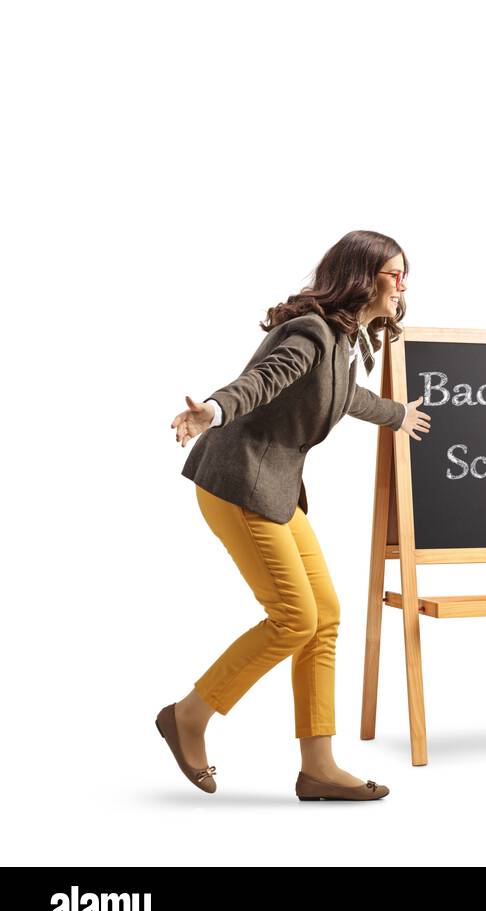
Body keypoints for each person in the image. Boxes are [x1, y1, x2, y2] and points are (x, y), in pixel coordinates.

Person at [158, 230, 431, 801]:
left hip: (276, 488)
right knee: (294, 618)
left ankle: (319, 766)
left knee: (324, 613)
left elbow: (341, 396)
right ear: (362, 276)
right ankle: (188, 715)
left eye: (405, 274)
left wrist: (395, 415)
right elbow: (263, 381)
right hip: (240, 484)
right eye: (393, 274)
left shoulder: (341, 338)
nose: (402, 285)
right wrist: (212, 409)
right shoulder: (310, 332)